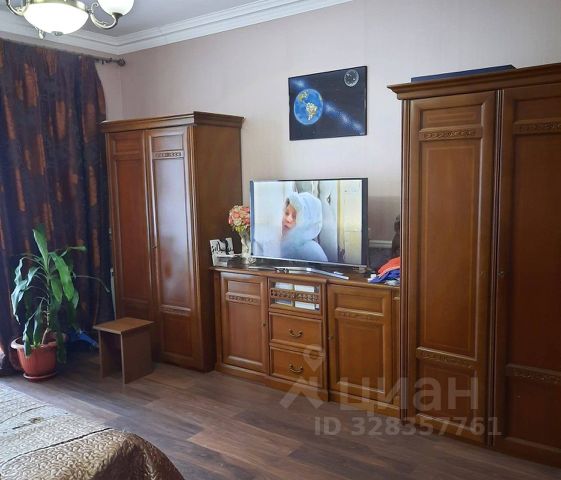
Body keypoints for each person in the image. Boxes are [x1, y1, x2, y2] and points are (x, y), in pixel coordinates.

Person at [280, 192, 328, 262]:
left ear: (307, 223)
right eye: (287, 213)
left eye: (295, 216)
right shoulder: (279, 243)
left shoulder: (313, 252)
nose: (288, 219)